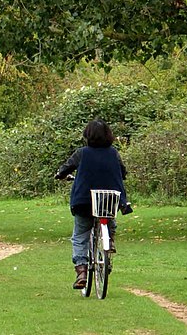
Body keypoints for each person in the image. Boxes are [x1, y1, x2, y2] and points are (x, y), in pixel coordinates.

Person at [54, 119, 130, 290]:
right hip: (108, 201)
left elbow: (65, 168)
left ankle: (81, 271)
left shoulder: (82, 153)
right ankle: (108, 244)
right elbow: (123, 172)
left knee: (80, 235)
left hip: (84, 201)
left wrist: (59, 175)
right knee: (110, 223)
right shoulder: (113, 154)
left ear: (87, 135)